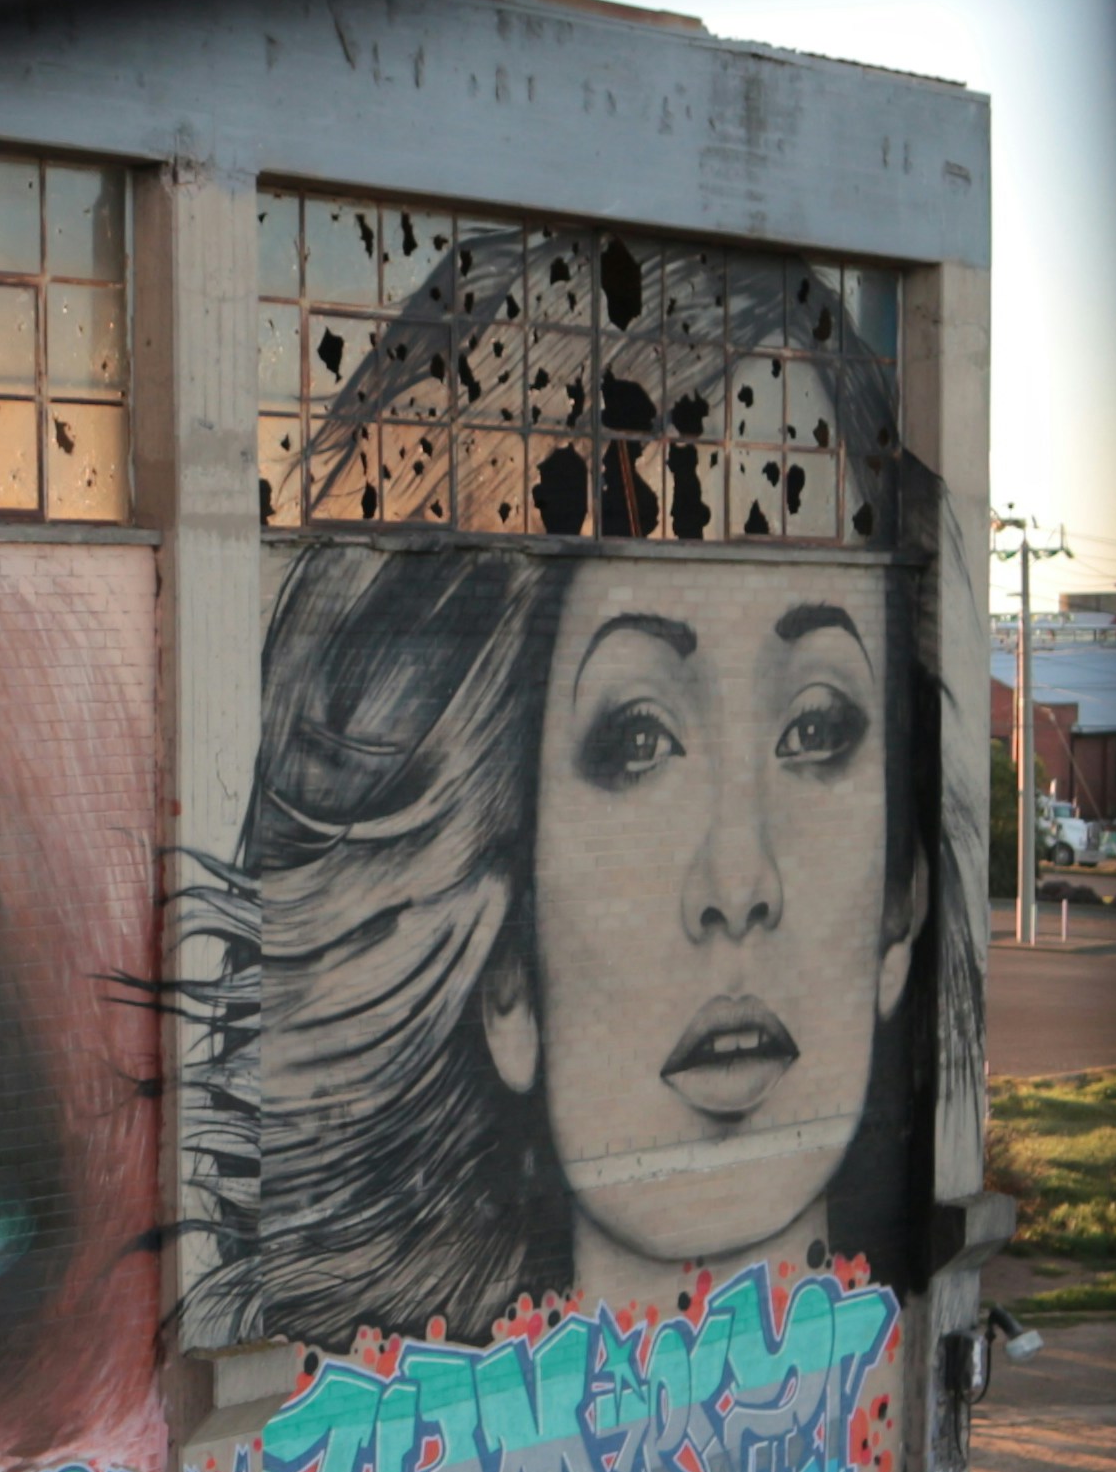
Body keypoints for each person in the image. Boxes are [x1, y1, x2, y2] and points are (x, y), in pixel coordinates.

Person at [231, 337, 946, 1344]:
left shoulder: (911, 1362)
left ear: (898, 905)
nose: (739, 883)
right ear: (510, 978)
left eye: (816, 728)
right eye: (637, 741)